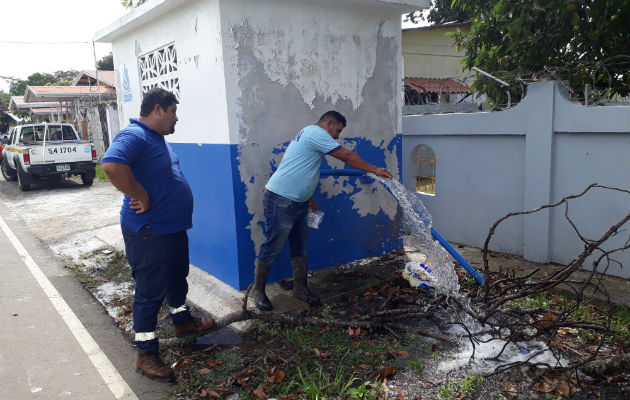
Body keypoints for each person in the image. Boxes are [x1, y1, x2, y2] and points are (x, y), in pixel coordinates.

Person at [102, 88, 215, 382]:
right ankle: (146, 353)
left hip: (171, 228)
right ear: (157, 110)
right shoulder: (134, 136)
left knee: (177, 277)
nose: (176, 118)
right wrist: (138, 193)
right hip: (149, 231)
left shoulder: (157, 139)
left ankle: (182, 321)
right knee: (150, 292)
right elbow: (112, 165)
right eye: (173, 111)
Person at [253, 111, 393, 311]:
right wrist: (374, 169)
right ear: (328, 123)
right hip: (281, 200)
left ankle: (300, 289)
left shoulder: (308, 134)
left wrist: (308, 197)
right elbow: (346, 155)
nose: (337, 136)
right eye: (337, 130)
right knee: (272, 246)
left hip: (298, 201)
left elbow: (300, 166)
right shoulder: (316, 133)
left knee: (299, 246)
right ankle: (258, 292)